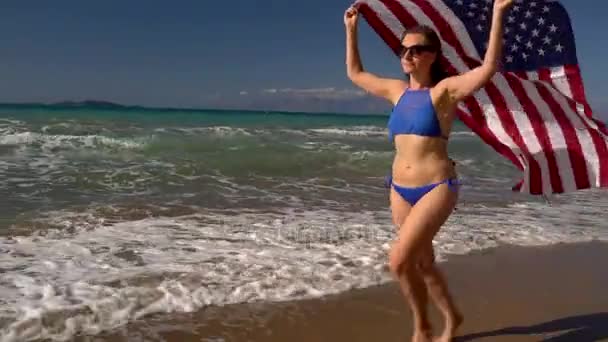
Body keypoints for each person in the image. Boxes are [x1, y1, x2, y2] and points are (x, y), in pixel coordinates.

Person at [344, 1, 513, 341]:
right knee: (422, 263)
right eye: (403, 49)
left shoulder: (444, 93)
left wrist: (499, 13)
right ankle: (453, 317)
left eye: (417, 49)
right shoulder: (396, 91)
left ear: (433, 55)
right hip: (398, 189)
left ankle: (422, 327)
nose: (408, 55)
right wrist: (351, 30)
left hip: (436, 187)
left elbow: (488, 68)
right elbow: (356, 74)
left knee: (399, 262)